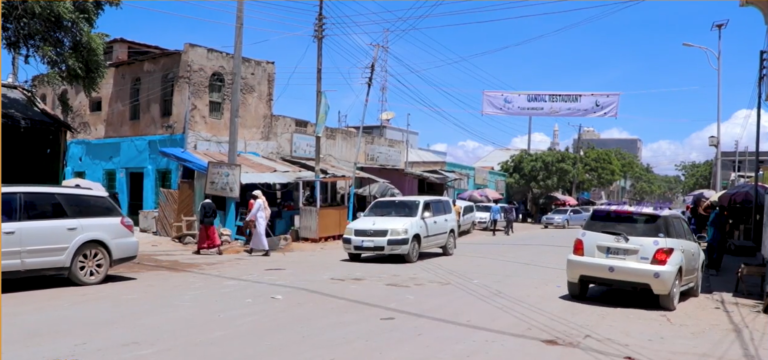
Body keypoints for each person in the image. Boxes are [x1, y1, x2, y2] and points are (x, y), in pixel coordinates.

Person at [246, 190, 271, 256]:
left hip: (260, 220)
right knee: (256, 234)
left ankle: (267, 250)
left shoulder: (258, 201)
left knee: (261, 234)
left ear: (257, 196)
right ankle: (251, 249)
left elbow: (254, 211)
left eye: (254, 195)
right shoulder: (261, 201)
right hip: (260, 219)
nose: (252, 196)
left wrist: (247, 219)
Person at [706, 204, 729, 274]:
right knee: (717, 252)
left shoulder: (715, 215)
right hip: (717, 237)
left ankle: (713, 264)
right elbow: (724, 227)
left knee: (714, 251)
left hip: (715, 237)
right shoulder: (719, 216)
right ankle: (715, 265)